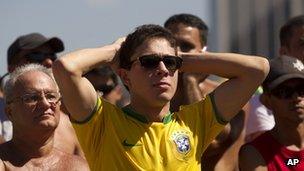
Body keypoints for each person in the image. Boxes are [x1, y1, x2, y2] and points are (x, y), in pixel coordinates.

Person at [52, 24, 269, 170]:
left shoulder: (194, 122)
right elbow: (66, 67)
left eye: (170, 63)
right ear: (125, 76)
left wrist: (181, 58)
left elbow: (258, 69)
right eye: (149, 62)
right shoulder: (103, 122)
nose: (163, 70)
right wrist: (115, 50)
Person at [165, 13, 249, 170]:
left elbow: (210, 144)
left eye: (185, 46)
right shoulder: (153, 102)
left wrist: (191, 81)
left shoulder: (230, 94)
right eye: (171, 45)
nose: (177, 52)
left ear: (203, 53)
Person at [1, 33, 85, 157]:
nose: (49, 61)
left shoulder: (67, 123)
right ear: (12, 68)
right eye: (36, 55)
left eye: (52, 56)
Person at [0, 64, 89, 170]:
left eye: (51, 96)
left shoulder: (78, 167)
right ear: (10, 112)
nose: (46, 104)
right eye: (32, 98)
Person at [245, 15, 304, 143]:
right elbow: (285, 158)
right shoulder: (262, 103)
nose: (297, 97)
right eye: (302, 44)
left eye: (302, 90)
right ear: (284, 53)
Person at [239, 55, 304, 171]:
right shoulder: (255, 153)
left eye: (302, 89)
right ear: (266, 100)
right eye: (285, 92)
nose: (296, 97)